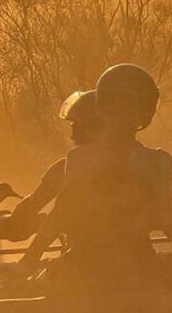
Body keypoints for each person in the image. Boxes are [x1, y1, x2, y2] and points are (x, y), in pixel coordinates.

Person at [17, 63, 172, 283]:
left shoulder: (78, 159)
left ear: (103, 105)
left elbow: (61, 213)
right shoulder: (158, 161)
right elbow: (166, 218)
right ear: (148, 110)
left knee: (37, 302)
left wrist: (30, 259)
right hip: (141, 268)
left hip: (82, 270)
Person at [8, 90, 104, 234]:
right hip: (134, 250)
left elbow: (34, 204)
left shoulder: (67, 167)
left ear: (89, 128)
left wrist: (11, 221)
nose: (72, 136)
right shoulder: (136, 161)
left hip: (84, 251)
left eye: (75, 127)